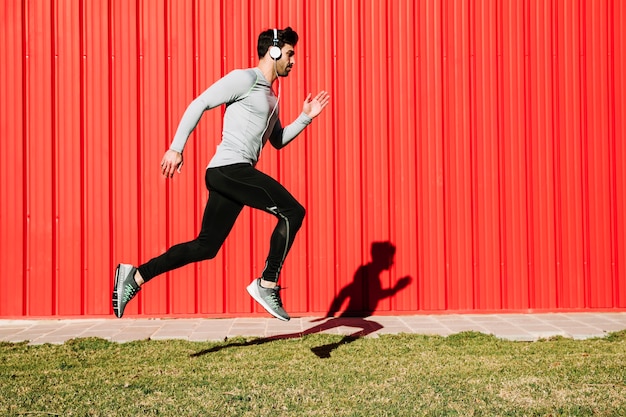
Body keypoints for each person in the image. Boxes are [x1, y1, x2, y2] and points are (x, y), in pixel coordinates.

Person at [112, 27, 330, 321]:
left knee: (206, 246)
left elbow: (276, 141)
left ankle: (135, 275)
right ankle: (267, 283)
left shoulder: (272, 98)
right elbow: (199, 103)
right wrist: (176, 148)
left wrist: (305, 118)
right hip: (229, 169)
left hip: (232, 175)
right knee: (293, 211)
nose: (293, 61)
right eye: (290, 54)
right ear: (274, 51)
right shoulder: (245, 79)